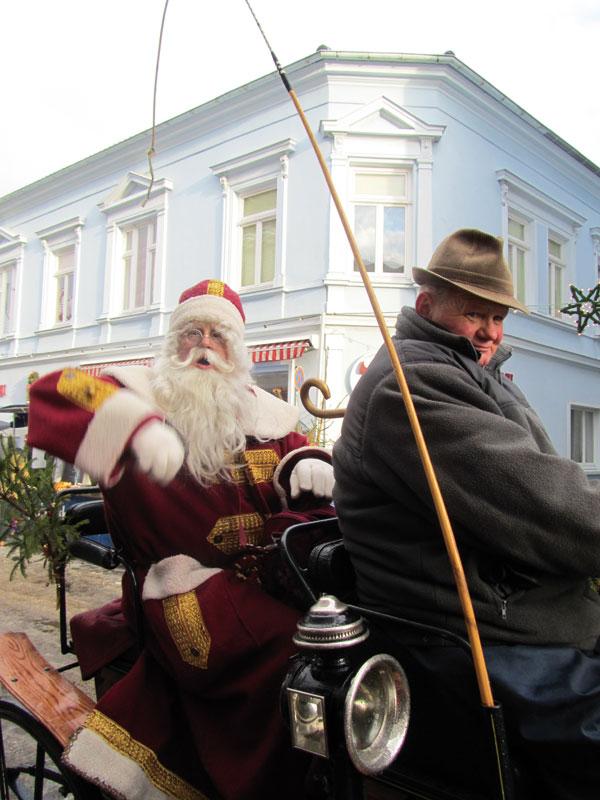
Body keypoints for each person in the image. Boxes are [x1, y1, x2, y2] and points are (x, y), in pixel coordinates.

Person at [28, 279, 335, 800]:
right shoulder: (139, 392)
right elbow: (54, 391)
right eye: (191, 331)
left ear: (237, 351)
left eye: (219, 335)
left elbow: (296, 458)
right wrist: (130, 427)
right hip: (178, 591)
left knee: (342, 634)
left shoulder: (267, 415)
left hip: (266, 582)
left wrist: (307, 463)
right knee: (295, 650)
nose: (204, 345)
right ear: (173, 344)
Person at [333, 228, 600, 800]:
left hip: (529, 617)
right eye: (475, 312)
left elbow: (549, 480)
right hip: (477, 642)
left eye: (498, 316)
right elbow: (544, 506)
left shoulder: (471, 371)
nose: (490, 331)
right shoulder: (412, 385)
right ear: (427, 306)